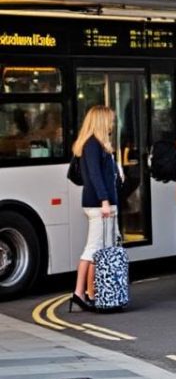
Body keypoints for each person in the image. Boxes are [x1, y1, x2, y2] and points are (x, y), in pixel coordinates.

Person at [70, 105, 118, 312]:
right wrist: (105, 201)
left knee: (97, 250)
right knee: (92, 249)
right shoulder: (92, 144)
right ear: (101, 121)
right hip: (99, 205)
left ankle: (90, 293)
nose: (113, 124)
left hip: (100, 204)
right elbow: (96, 176)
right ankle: (79, 293)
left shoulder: (96, 144)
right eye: (110, 120)